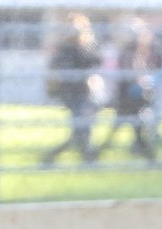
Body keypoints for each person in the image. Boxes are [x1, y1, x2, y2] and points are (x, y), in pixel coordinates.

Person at [96, 19, 162, 162]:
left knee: (138, 128)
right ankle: (148, 155)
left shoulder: (155, 52)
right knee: (128, 127)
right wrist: (138, 81)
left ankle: (147, 155)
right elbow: (126, 76)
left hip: (142, 99)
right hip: (127, 99)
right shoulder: (127, 53)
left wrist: (149, 81)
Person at [41, 13, 103, 166]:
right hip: (71, 93)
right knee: (80, 128)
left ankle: (87, 158)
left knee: (83, 128)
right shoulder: (65, 48)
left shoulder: (86, 47)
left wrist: (86, 43)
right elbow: (59, 69)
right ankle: (86, 157)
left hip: (85, 91)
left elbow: (96, 61)